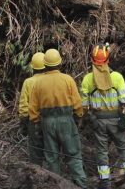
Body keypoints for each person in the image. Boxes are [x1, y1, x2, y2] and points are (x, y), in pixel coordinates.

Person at [80, 44, 125, 189]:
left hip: (97, 122)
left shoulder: (87, 80)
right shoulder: (116, 77)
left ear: (92, 59)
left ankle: (105, 182)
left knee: (102, 152)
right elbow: (124, 99)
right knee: (124, 148)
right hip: (116, 120)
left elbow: (84, 105)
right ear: (108, 59)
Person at [29, 49, 86, 188]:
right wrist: (79, 117)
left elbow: (33, 108)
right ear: (60, 63)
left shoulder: (38, 83)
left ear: (45, 65)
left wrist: (37, 123)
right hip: (66, 121)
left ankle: (55, 185)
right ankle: (80, 184)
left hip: (47, 123)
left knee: (51, 158)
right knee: (73, 154)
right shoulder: (67, 79)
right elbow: (77, 103)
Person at [18, 52, 46, 165]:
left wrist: (23, 122)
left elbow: (24, 106)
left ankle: (37, 175)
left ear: (32, 67)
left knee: (35, 152)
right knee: (51, 151)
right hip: (49, 120)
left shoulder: (28, 82)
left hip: (34, 122)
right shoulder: (50, 80)